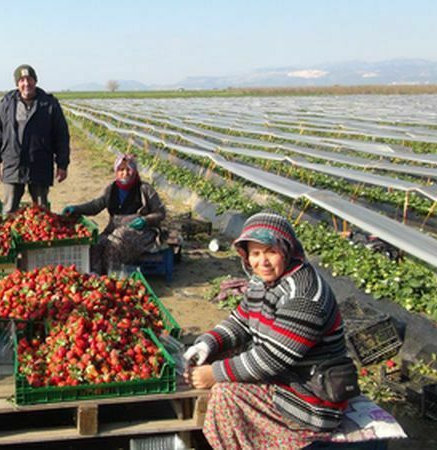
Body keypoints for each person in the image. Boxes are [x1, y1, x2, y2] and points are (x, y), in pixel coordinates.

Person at [183, 212, 351, 450]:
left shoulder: (304, 296)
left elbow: (272, 358)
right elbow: (241, 321)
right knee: (217, 357)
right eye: (255, 253)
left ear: (287, 250)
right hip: (285, 379)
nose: (263, 261)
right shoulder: (261, 280)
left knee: (225, 393)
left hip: (312, 398)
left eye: (271, 251)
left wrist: (215, 374)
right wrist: (207, 343)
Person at [62, 154, 165, 275]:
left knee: (116, 241)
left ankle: (111, 275)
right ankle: (95, 274)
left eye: (128, 169)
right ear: (116, 171)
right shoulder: (111, 189)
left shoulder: (145, 189)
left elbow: (160, 213)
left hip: (141, 232)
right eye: (121, 170)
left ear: (135, 171)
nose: (125, 173)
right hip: (114, 229)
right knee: (98, 243)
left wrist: (146, 220)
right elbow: (95, 206)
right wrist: (76, 209)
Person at [0, 64, 70, 214]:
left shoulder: (49, 104)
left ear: (35, 81)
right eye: (22, 80)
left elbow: (61, 136)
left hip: (40, 163)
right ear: (17, 83)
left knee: (40, 211)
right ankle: (11, 237)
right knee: (9, 209)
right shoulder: (7, 104)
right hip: (13, 163)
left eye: (30, 79)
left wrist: (62, 164)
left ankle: (40, 237)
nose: (26, 84)